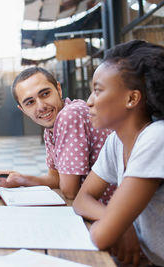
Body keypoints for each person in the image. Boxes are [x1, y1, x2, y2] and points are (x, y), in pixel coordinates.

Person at [73, 40, 164, 266]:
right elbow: (81, 199)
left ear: (131, 98)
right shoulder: (116, 140)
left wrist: (116, 225)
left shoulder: (156, 137)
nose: (89, 102)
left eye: (97, 90)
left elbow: (101, 236)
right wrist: (119, 223)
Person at [0, 67, 115, 201]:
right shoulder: (50, 129)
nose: (41, 106)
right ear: (23, 110)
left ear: (58, 90)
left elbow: (70, 192)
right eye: (30, 102)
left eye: (45, 94)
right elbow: (55, 178)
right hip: (93, 206)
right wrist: (20, 179)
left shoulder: (69, 115)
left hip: (111, 211)